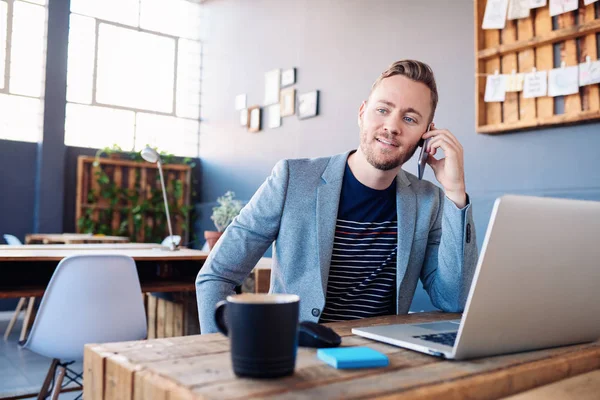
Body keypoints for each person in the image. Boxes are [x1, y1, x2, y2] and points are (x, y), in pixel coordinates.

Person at [196, 60, 478, 333]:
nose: (392, 126)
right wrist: (220, 353)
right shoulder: (291, 179)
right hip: (297, 357)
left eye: (409, 118)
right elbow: (216, 275)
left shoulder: (430, 201)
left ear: (426, 135)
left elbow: (454, 299)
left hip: (382, 361)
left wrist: (455, 193)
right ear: (361, 113)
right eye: (383, 110)